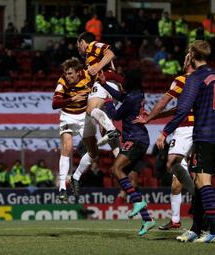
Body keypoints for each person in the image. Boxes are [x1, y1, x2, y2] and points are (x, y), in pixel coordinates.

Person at [156, 40, 215, 243]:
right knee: (200, 181)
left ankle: (214, 230)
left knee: (202, 182)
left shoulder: (194, 78)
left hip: (202, 134)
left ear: (191, 54)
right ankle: (196, 228)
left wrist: (165, 132)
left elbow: (182, 109)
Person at [134, 58, 196, 230]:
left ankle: (201, 213)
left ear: (189, 60)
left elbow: (164, 101)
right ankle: (176, 220)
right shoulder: (204, 81)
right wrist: (152, 118)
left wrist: (149, 118)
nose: (183, 61)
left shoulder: (183, 79)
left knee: (190, 175)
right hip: (197, 131)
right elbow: (178, 110)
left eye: (185, 58)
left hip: (188, 131)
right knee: (177, 180)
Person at [102, 69, 156, 236]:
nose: (123, 81)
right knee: (130, 176)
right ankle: (147, 219)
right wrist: (105, 84)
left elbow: (116, 115)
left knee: (115, 169)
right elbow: (122, 97)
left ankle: (138, 202)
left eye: (125, 78)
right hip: (141, 138)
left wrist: (108, 102)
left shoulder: (132, 97)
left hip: (135, 139)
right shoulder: (137, 93)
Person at [72, 32, 123, 186]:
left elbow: (111, 52)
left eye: (78, 45)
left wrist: (97, 68)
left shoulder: (92, 46)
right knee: (104, 132)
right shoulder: (89, 58)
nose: (78, 49)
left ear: (82, 42)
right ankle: (121, 160)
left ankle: (112, 129)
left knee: (90, 110)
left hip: (104, 82)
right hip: (110, 86)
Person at [52, 58, 90, 200]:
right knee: (67, 147)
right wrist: (72, 99)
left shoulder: (87, 77)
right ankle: (62, 187)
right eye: (66, 73)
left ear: (78, 72)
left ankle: (76, 176)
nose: (67, 76)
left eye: (70, 73)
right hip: (67, 116)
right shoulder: (62, 82)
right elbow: (55, 103)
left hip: (84, 117)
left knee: (93, 152)